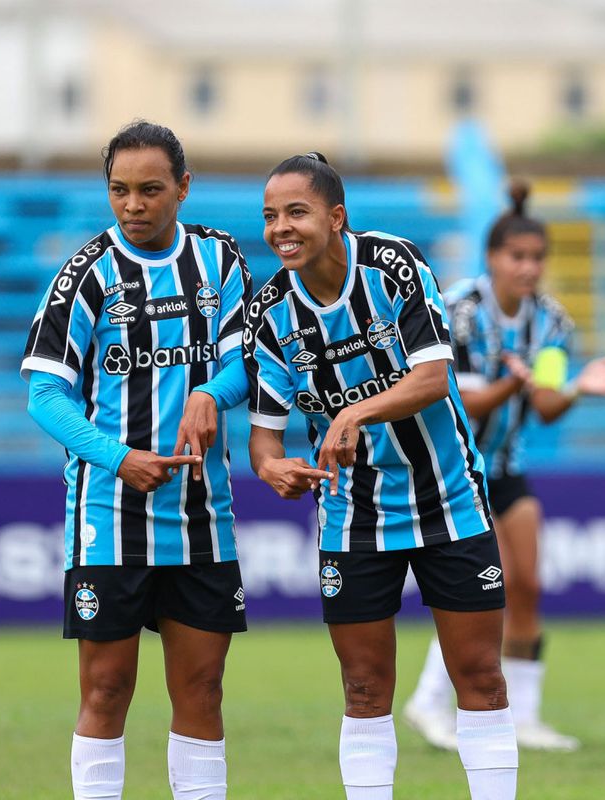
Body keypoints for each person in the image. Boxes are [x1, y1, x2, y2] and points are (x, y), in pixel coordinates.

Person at [245, 152, 518, 800]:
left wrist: (352, 411)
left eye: (296, 212)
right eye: (270, 215)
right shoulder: (271, 311)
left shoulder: (393, 265)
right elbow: (264, 439)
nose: (281, 227)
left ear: (336, 217)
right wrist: (272, 469)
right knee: (364, 687)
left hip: (448, 497)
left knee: (478, 674)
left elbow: (431, 378)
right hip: (352, 513)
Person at [21, 120, 252, 800]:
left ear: (183, 187)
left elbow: (247, 363)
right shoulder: (86, 276)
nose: (134, 205)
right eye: (119, 191)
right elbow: (44, 395)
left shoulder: (219, 260)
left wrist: (212, 390)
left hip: (201, 515)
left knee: (203, 690)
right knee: (107, 687)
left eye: (150, 190)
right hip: (109, 512)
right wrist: (120, 458)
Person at [402, 181, 605, 753]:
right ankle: (429, 702)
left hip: (505, 466)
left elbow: (547, 404)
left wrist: (577, 385)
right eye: (518, 257)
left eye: (537, 258)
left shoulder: (552, 324)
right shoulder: (457, 311)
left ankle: (526, 716)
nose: (529, 268)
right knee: (487, 587)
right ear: (492, 259)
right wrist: (517, 379)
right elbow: (459, 397)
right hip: (454, 467)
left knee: (527, 584)